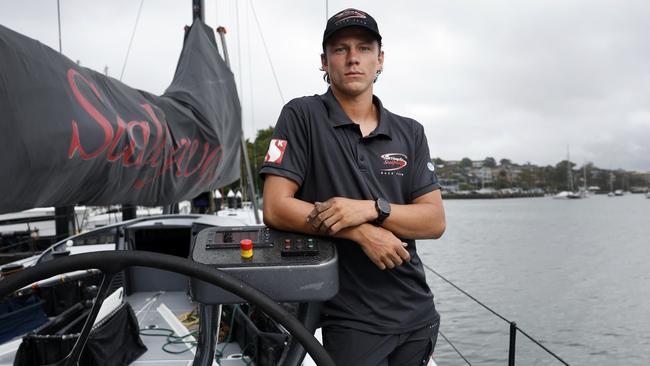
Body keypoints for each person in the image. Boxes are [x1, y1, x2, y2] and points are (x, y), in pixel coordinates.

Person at [260, 8, 445, 366]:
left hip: (418, 312)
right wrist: (359, 232)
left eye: (363, 48)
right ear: (324, 61)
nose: (353, 58)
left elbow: (434, 221)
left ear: (380, 59)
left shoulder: (410, 131)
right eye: (341, 49)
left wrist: (372, 209)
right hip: (351, 319)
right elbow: (276, 207)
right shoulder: (301, 116)